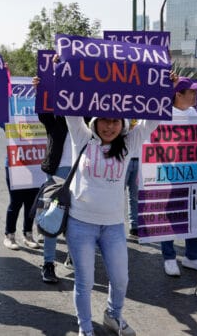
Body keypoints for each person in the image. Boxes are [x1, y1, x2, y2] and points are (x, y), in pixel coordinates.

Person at [65, 113, 157, 336]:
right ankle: (85, 327)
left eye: (116, 121)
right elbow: (69, 109)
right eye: (104, 120)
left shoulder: (128, 144)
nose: (110, 126)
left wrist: (167, 92)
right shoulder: (82, 137)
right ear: (94, 122)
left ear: (123, 124)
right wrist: (51, 83)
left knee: (120, 279)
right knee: (85, 281)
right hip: (80, 224)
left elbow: (151, 121)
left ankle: (113, 315)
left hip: (113, 226)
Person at [160, 76, 197, 277]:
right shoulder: (164, 114)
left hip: (190, 172)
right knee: (169, 215)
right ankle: (169, 257)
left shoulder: (194, 113)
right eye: (191, 92)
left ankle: (193, 256)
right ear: (178, 94)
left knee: (192, 212)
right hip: (168, 173)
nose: (195, 95)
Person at [36, 112, 73, 283]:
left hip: (81, 173)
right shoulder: (54, 118)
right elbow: (43, 113)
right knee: (52, 218)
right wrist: (40, 90)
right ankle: (48, 263)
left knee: (76, 220)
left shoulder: (88, 119)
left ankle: (73, 256)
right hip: (57, 173)